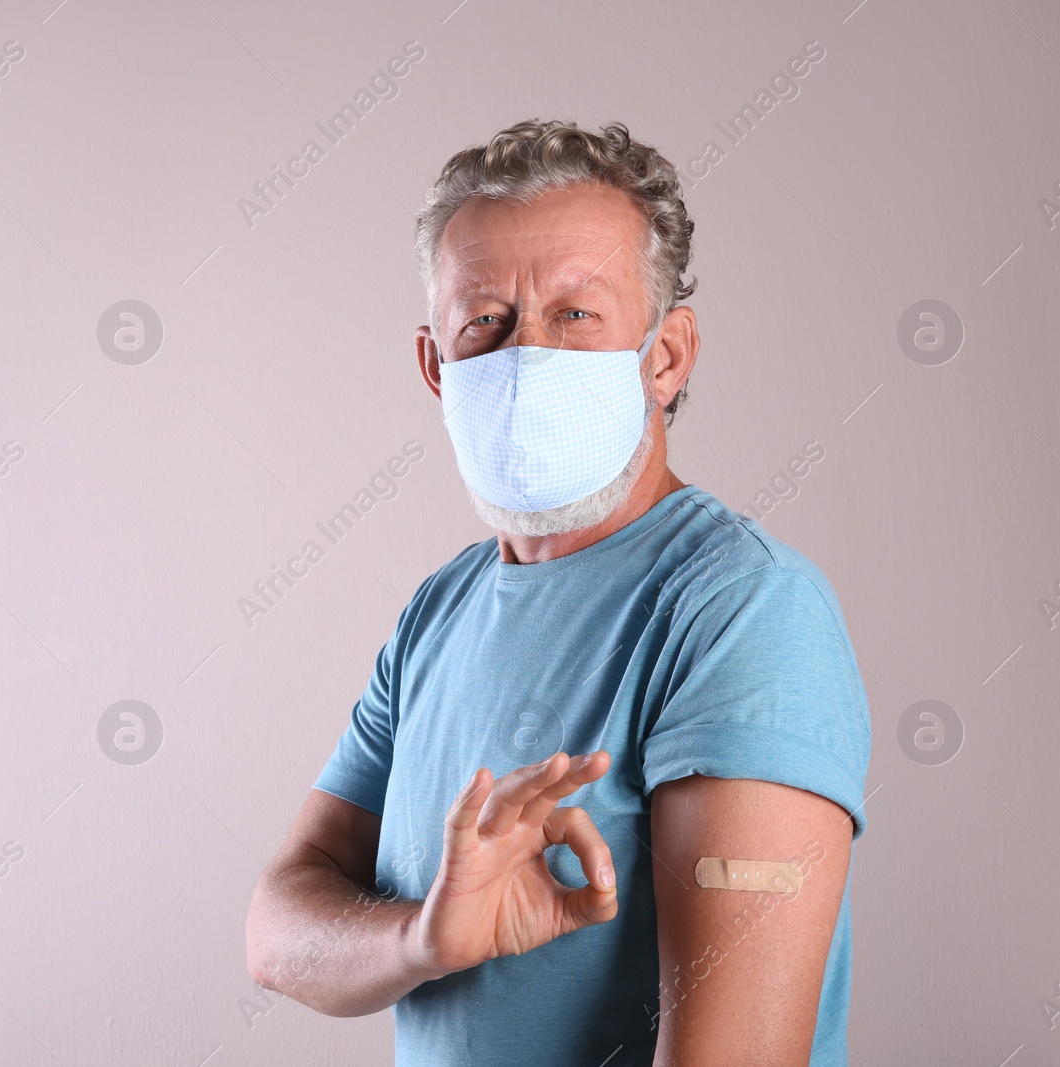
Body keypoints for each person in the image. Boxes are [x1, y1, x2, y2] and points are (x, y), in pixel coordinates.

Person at [244, 118, 871, 1066]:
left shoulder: (741, 612)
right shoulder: (440, 611)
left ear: (665, 357)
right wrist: (425, 938)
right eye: (485, 321)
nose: (526, 355)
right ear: (435, 367)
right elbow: (278, 930)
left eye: (576, 315)